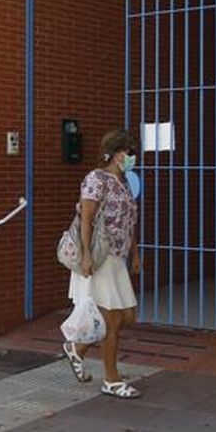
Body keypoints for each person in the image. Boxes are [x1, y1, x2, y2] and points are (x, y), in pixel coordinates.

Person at [61, 128, 142, 398]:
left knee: (127, 316)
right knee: (112, 321)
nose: (133, 156)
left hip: (118, 258)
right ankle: (112, 379)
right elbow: (86, 218)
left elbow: (130, 221)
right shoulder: (96, 179)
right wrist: (85, 255)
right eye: (129, 151)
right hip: (100, 257)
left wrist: (135, 253)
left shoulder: (126, 182)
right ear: (117, 152)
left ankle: (77, 348)